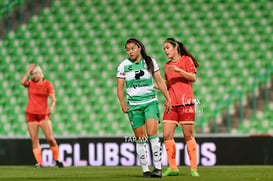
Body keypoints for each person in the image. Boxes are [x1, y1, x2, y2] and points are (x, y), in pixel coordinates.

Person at [116, 38, 172, 178]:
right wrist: (122, 103)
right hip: (134, 106)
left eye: (132, 48)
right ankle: (145, 169)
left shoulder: (150, 62)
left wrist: (168, 98)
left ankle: (158, 168)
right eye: (127, 49)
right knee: (140, 138)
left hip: (150, 103)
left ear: (139, 48)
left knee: (153, 135)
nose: (130, 52)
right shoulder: (123, 66)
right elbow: (119, 87)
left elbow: (159, 81)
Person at [160, 38, 200, 176]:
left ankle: (193, 168)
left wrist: (178, 70)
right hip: (171, 104)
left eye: (167, 48)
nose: (165, 51)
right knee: (166, 135)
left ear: (175, 47)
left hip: (186, 103)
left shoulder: (186, 60)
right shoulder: (166, 66)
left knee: (188, 136)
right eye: (164, 49)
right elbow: (167, 84)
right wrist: (155, 86)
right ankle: (173, 167)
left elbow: (193, 78)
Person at [20, 64, 64, 168]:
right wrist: (28, 71)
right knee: (35, 139)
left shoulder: (48, 84)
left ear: (40, 73)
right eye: (32, 74)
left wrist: (51, 107)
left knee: (50, 138)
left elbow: (53, 99)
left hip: (43, 114)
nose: (33, 76)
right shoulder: (30, 83)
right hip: (31, 114)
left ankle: (57, 159)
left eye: (35, 73)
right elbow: (22, 82)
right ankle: (39, 162)